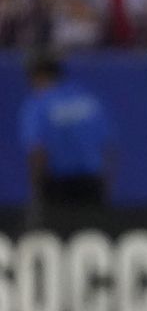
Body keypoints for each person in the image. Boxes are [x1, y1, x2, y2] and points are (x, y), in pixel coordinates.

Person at [18, 50, 114, 217]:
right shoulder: (87, 99)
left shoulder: (38, 104)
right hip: (92, 184)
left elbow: (37, 152)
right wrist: (105, 187)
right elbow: (108, 147)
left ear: (40, 75)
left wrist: (36, 195)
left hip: (57, 187)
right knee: (89, 237)